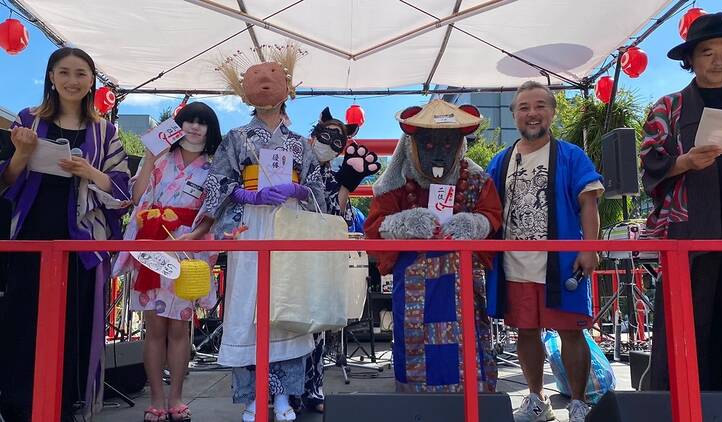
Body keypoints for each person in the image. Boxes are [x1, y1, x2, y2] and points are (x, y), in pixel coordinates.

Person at [0, 47, 130, 422]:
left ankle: (66, 404)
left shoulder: (107, 132)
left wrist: (88, 171)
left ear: (92, 81)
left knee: (77, 323)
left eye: (82, 74)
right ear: (51, 78)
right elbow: (7, 180)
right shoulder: (28, 120)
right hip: (32, 236)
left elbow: (122, 194)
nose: (73, 81)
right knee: (24, 320)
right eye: (65, 73)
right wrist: (22, 154)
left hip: (83, 242)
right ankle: (19, 403)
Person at [199, 45, 325, 422]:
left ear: (288, 86)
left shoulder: (301, 143)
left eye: (273, 75)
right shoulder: (236, 138)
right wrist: (247, 193)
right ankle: (255, 396)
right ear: (244, 90)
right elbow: (219, 181)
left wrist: (300, 190)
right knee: (248, 307)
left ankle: (285, 395)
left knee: (287, 307)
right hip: (249, 225)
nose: (265, 80)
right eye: (256, 76)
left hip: (290, 225)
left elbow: (318, 188)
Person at [641, 12, 722, 391]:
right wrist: (684, 162)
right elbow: (651, 163)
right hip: (687, 233)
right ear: (692, 59)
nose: (718, 60)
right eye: (707, 52)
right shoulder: (668, 107)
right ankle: (677, 403)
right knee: (685, 321)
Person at [364, 99, 500, 393]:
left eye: (448, 144)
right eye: (428, 146)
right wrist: (403, 224)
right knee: (414, 340)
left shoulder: (476, 180)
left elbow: (493, 217)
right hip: (414, 284)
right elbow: (374, 228)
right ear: (412, 144)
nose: (439, 154)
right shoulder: (397, 184)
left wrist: (473, 225)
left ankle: (473, 400)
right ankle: (417, 400)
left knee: (468, 337)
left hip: (462, 280)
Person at [486, 81, 603, 422]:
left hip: (562, 261)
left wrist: (589, 248)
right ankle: (536, 399)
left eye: (540, 106)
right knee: (525, 330)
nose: (532, 113)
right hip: (515, 263)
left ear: (552, 112)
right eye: (524, 107)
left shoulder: (571, 155)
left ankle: (579, 401)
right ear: (514, 116)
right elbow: (489, 207)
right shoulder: (500, 160)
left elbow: (589, 201)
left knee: (571, 330)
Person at [112, 102, 222, 421]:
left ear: (210, 131)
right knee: (154, 327)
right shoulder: (160, 160)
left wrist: (196, 234)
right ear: (177, 127)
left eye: (202, 123)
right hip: (152, 246)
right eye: (189, 121)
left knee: (179, 328)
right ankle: (156, 399)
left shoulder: (213, 167)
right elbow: (138, 196)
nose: (195, 127)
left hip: (187, 249)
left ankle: (176, 398)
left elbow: (213, 213)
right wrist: (149, 156)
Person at [291, 107, 379, 414]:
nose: (330, 143)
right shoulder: (295, 162)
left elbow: (336, 215)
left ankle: (312, 389)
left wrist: (347, 185)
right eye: (325, 136)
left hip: (321, 257)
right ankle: (286, 391)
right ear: (314, 135)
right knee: (291, 323)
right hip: (291, 255)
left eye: (338, 140)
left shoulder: (333, 175)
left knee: (317, 327)